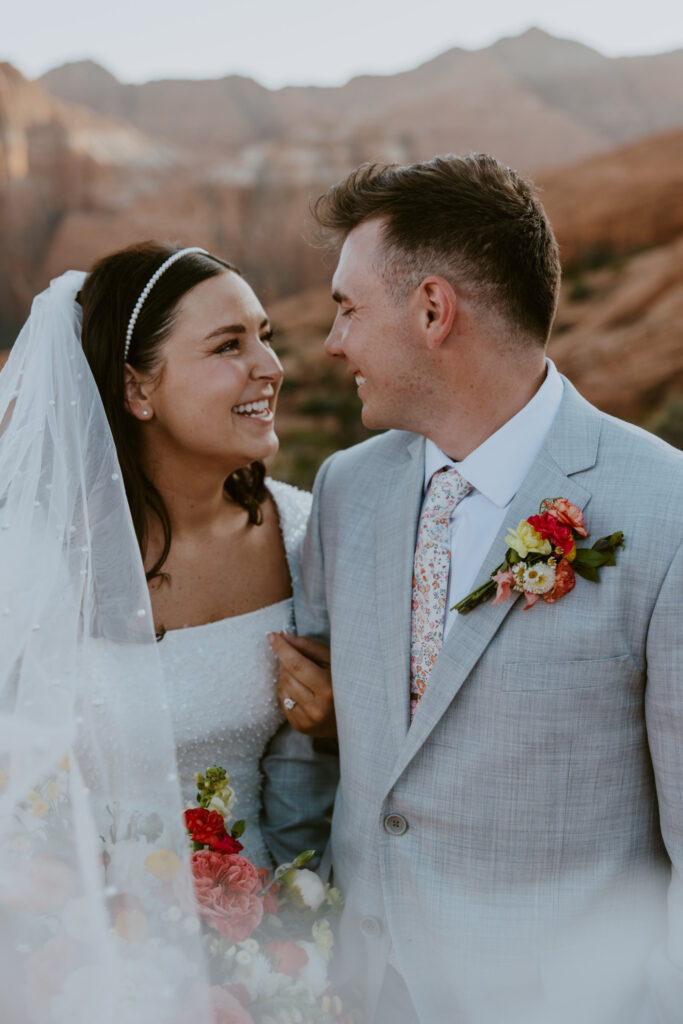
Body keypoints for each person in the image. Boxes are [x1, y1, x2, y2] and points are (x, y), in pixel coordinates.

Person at [266, 154, 683, 1024]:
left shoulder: (665, 510)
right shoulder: (347, 488)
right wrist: (287, 948)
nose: (332, 339)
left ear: (430, 310)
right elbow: (312, 758)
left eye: (346, 307)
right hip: (359, 992)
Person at [0, 243, 335, 1021]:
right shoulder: (28, 564)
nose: (270, 366)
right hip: (67, 959)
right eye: (228, 346)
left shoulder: (303, 537)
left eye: (265, 335)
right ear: (135, 388)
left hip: (268, 956)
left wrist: (338, 727)